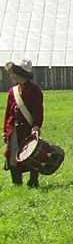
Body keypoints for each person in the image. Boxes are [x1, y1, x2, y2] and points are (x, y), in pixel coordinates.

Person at [4, 58, 42, 187]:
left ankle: (33, 182)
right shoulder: (13, 91)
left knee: (31, 155)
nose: (12, 76)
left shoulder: (35, 90)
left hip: (28, 128)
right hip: (14, 128)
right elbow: (8, 113)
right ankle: (17, 182)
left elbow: (38, 111)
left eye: (14, 73)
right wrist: (5, 130)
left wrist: (36, 126)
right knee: (12, 155)